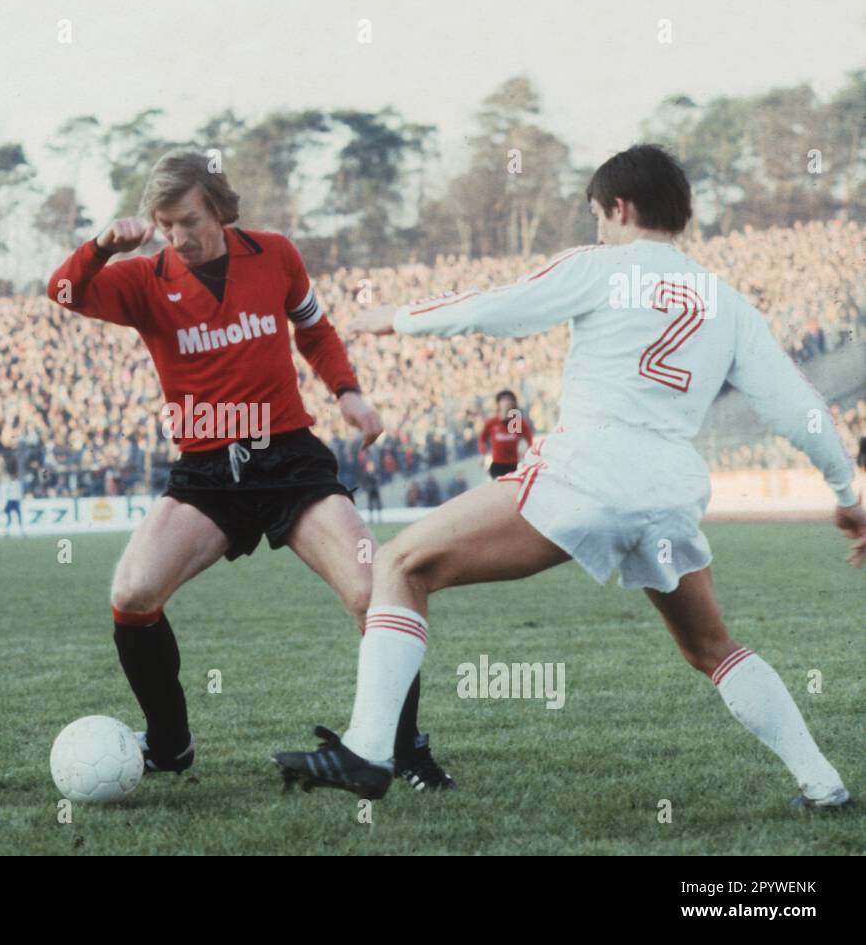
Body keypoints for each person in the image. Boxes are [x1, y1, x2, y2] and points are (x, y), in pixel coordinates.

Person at [274, 145, 865, 809]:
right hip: (670, 489)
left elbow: (502, 306)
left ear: (620, 206)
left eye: (597, 216)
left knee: (400, 564)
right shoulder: (725, 301)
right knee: (712, 647)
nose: (598, 230)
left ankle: (368, 749)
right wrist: (848, 495)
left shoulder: (601, 266)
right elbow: (800, 408)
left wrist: (399, 317)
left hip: (590, 471)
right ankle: (824, 782)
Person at [46, 150, 451, 791]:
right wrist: (99, 246)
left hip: (289, 457)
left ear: (219, 209)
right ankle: (172, 746)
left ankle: (402, 751)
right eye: (164, 223)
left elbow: (314, 330)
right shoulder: (143, 278)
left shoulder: (276, 255)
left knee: (377, 594)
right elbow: (64, 292)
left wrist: (346, 390)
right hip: (207, 471)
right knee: (131, 596)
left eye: (188, 220)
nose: (178, 237)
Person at [479, 389, 533, 477]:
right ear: (498, 403)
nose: (507, 402)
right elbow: (482, 438)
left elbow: (529, 438)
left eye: (510, 400)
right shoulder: (492, 423)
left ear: (514, 404)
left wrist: (527, 451)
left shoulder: (518, 422)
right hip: (497, 466)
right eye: (504, 400)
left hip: (513, 466)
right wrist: (483, 453)